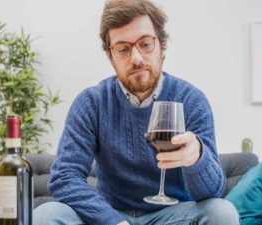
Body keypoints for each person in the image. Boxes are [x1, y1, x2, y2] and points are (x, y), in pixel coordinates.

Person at [33, 0, 240, 224]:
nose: (137, 58)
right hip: (111, 215)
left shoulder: (192, 101)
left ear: (162, 45)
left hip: (173, 217)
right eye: (123, 49)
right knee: (45, 215)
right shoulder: (92, 103)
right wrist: (112, 220)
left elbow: (212, 193)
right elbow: (65, 177)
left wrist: (197, 158)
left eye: (145, 44)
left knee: (222, 212)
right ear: (110, 55)